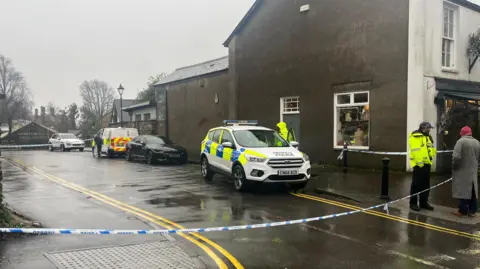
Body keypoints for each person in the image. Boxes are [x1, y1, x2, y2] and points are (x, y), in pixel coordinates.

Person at [409, 122, 437, 211]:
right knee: (416, 185)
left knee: (426, 185)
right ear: (423, 128)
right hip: (418, 165)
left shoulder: (428, 137)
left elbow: (431, 150)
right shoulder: (415, 136)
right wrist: (419, 163)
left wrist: (432, 152)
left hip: (427, 164)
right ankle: (413, 203)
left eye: (430, 129)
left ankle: (423, 202)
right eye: (428, 128)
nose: (429, 130)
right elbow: (415, 151)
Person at [452, 126, 479, 217]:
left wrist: (455, 167)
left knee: (463, 190)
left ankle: (462, 210)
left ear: (463, 133)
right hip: (473, 171)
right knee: (472, 191)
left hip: (462, 170)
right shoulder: (477, 142)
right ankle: (472, 210)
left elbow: (456, 157)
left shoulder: (460, 142)